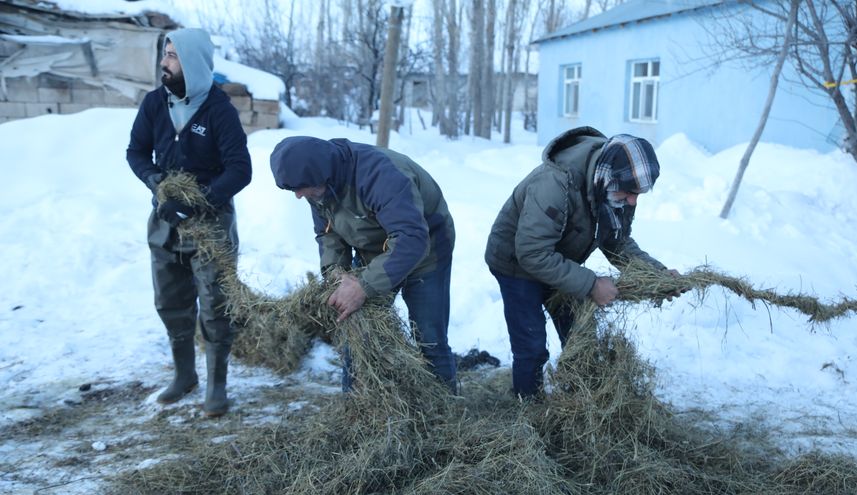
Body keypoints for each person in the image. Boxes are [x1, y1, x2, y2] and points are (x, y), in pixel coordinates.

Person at [484, 126, 680, 398]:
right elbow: (532, 252)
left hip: (558, 258)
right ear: (607, 178)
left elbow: (616, 240)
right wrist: (590, 284)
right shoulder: (555, 184)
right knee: (532, 345)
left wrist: (655, 274)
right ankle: (528, 409)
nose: (633, 200)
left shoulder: (614, 187)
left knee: (581, 336)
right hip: (517, 262)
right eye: (630, 192)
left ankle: (580, 405)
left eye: (639, 194)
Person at [126, 28, 252, 417]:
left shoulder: (219, 110)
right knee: (170, 299)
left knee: (215, 304)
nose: (164, 62)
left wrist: (200, 201)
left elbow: (240, 170)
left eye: (172, 55)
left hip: (211, 224)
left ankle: (216, 385)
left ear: (192, 62)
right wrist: (158, 184)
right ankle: (185, 376)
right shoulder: (154, 103)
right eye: (165, 53)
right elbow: (136, 153)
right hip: (164, 220)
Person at [269, 136, 458, 393]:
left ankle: (444, 411)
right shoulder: (316, 184)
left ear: (321, 173)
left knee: (429, 337)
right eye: (292, 189)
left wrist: (363, 286)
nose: (299, 196)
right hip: (374, 248)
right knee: (357, 331)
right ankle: (356, 410)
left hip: (426, 248)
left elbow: (411, 239)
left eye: (301, 187)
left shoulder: (381, 175)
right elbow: (328, 232)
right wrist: (337, 274)